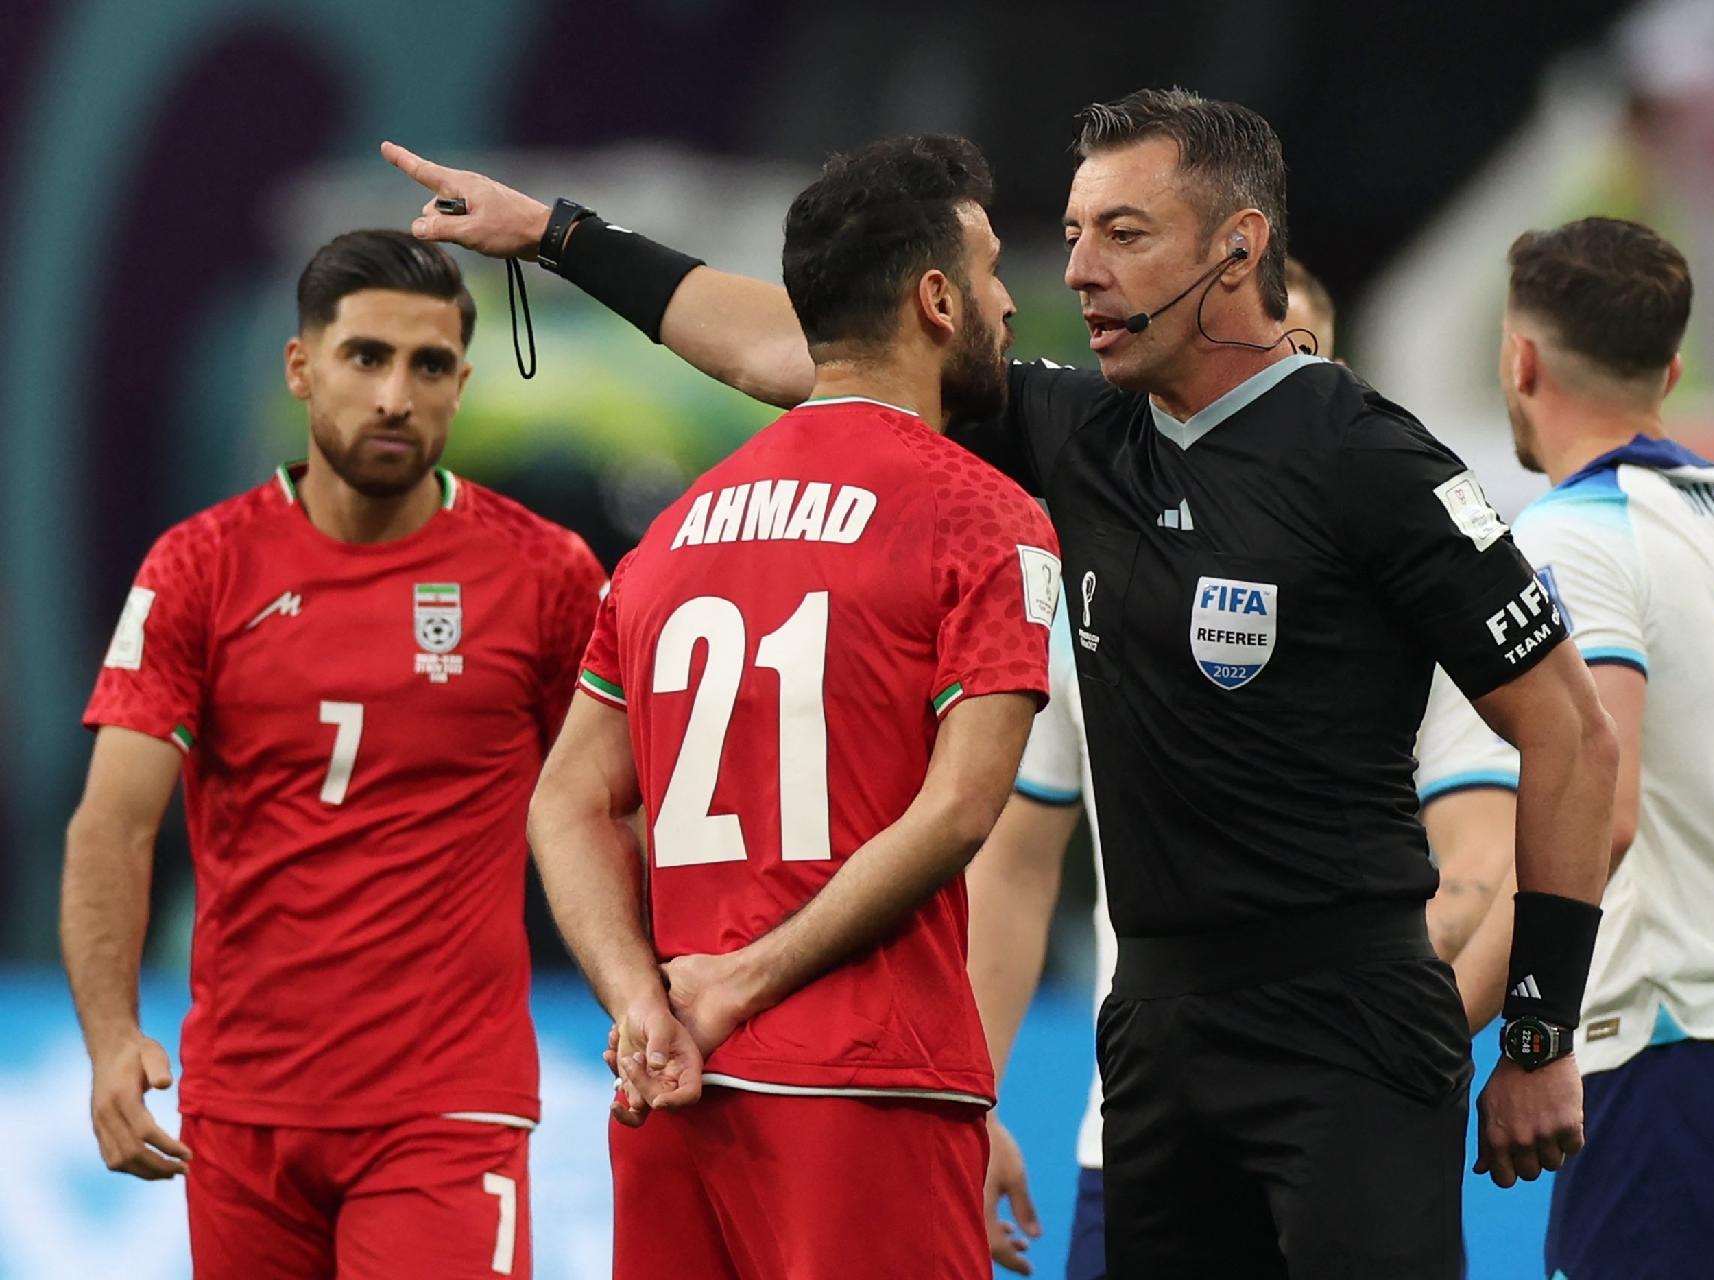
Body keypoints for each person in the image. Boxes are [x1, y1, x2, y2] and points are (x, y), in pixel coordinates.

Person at [387, 86, 1618, 1277]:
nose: (1078, 270)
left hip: (1346, 1012)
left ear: (1239, 249)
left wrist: (1538, 1032)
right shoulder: (1081, 432)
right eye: (1075, 234)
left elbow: (1572, 734)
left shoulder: (1372, 459)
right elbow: (799, 349)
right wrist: (557, 235)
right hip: (1153, 1029)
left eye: (1123, 236)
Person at [522, 135, 1060, 1280]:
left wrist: (644, 1001)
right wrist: (744, 981)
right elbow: (965, 806)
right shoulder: (984, 513)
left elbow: (567, 797)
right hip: (865, 1080)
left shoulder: (668, 536)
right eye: (992, 272)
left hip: (671, 1083)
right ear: (934, 299)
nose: (1009, 302)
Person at [61, 230, 607, 1278]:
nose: (397, 394)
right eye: (366, 357)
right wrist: (112, 1034)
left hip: (449, 1101)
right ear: (301, 367)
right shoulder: (198, 566)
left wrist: (647, 996)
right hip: (245, 1106)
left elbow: (609, 804)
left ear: (462, 381)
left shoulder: (545, 575)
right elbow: (113, 821)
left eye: (430, 364)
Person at [1416, 216, 1714, 1280]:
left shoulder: (1570, 540)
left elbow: (1603, 803)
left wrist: (1441, 1034)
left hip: (1669, 1054)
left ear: (1519, 359)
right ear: (1670, 368)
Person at [961, 262, 1354, 1280]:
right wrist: (975, 1098)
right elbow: (1012, 864)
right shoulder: (1092, 590)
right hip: (1139, 1134)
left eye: (1299, 358)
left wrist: (1382, 1073)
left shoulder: (1394, 592)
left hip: (1338, 1129)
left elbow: (1472, 861)